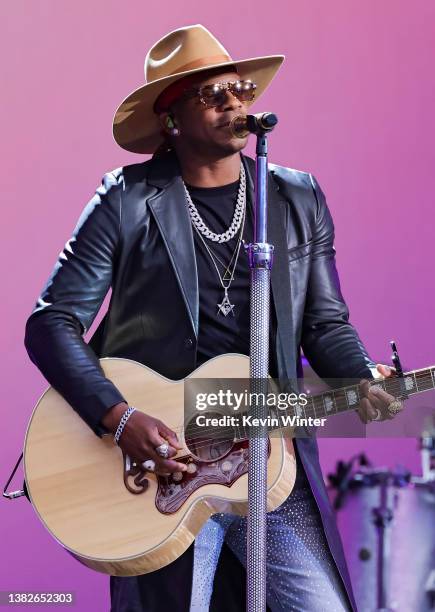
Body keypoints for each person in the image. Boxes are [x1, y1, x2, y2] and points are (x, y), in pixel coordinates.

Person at [24, 24, 402, 612]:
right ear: (171, 120)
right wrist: (121, 420)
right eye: (212, 94)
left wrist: (361, 377)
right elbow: (50, 323)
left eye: (241, 89)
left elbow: (325, 324)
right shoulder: (126, 199)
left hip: (268, 459)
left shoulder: (297, 200)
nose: (235, 103)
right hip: (163, 468)